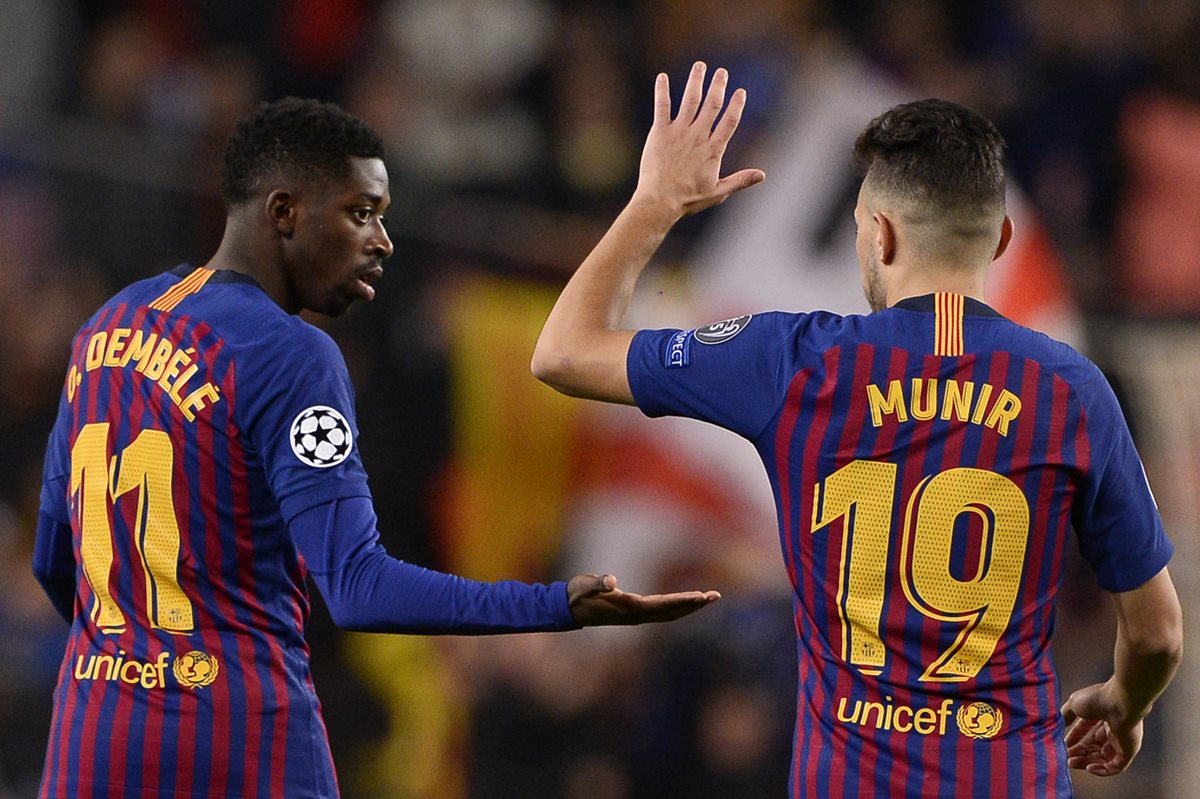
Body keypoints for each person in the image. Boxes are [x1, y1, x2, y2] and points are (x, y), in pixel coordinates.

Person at [31, 96, 721, 799]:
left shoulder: (104, 330)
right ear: (284, 211)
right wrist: (556, 606)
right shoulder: (291, 355)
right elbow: (357, 588)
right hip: (235, 743)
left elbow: (55, 562)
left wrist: (135, 660)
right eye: (361, 212)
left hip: (91, 736)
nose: (382, 239)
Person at [532, 62, 1183, 797]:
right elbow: (1157, 630)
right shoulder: (1073, 390)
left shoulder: (792, 361)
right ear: (1001, 239)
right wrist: (1126, 704)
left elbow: (563, 352)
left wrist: (656, 203)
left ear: (877, 234)